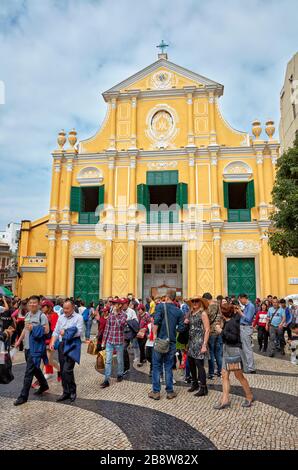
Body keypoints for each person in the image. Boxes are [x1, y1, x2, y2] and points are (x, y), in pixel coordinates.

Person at [213, 303, 254, 410]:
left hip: (233, 351)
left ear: (224, 313)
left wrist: (221, 331)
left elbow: (233, 338)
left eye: (221, 310)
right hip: (227, 350)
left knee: (238, 376)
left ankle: (249, 396)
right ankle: (225, 400)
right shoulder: (231, 319)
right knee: (224, 375)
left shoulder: (232, 323)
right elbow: (237, 314)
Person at [148, 289, 185, 400]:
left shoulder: (160, 307)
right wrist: (174, 330)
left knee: (156, 367)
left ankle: (156, 392)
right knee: (168, 367)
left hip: (160, 340)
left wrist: (154, 335)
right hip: (171, 342)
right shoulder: (179, 311)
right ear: (174, 298)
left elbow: (156, 321)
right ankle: (169, 392)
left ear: (167, 298)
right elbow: (181, 328)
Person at [14, 295, 50, 406]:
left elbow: (47, 330)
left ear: (39, 304)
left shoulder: (42, 316)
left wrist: (34, 328)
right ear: (28, 304)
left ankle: (23, 396)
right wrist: (19, 340)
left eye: (35, 302)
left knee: (28, 372)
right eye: (30, 303)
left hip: (36, 348)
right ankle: (44, 385)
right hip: (27, 347)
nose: (32, 304)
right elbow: (25, 329)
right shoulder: (28, 315)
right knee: (34, 369)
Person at [49, 299, 83, 403]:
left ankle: (72, 391)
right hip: (62, 344)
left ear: (73, 308)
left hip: (72, 345)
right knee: (63, 369)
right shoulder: (61, 317)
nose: (65, 310)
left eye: (67, 308)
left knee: (67, 370)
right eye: (64, 308)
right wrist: (52, 342)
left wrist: (67, 332)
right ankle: (65, 391)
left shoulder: (79, 317)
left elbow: (79, 332)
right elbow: (55, 331)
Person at [186, 296, 210, 397]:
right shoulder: (191, 313)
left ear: (200, 303)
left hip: (199, 342)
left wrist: (204, 344)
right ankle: (195, 383)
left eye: (197, 301)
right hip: (191, 342)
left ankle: (203, 388)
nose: (195, 303)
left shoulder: (203, 313)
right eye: (193, 301)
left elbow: (207, 329)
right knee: (191, 363)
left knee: (199, 365)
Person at [100, 298, 127, 388]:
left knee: (119, 360)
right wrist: (103, 340)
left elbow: (121, 325)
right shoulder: (110, 315)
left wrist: (116, 315)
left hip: (119, 341)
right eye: (113, 304)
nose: (114, 305)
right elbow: (107, 328)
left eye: (115, 304)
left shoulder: (124, 315)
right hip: (110, 341)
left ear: (119, 305)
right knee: (108, 361)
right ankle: (106, 380)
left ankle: (120, 374)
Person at [203, 292, 222, 379]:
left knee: (210, 353)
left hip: (211, 332)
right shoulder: (218, 305)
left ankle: (211, 372)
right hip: (218, 331)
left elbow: (207, 318)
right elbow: (221, 317)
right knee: (218, 353)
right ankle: (220, 371)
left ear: (206, 299)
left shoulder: (209, 307)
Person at [41, 299, 61, 381]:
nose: (42, 308)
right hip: (42, 340)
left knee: (49, 360)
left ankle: (60, 370)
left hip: (51, 340)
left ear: (48, 307)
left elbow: (55, 330)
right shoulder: (42, 315)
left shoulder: (54, 315)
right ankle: (41, 378)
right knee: (43, 360)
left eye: (43, 306)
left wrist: (52, 341)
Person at [238, 294, 256, 374]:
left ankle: (251, 368)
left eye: (240, 300)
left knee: (247, 349)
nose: (240, 302)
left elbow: (248, 319)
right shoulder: (247, 306)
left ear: (244, 298)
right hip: (243, 328)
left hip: (246, 328)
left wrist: (240, 313)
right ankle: (246, 366)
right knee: (242, 348)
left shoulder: (250, 306)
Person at [122, 298, 139, 374]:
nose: (122, 305)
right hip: (120, 333)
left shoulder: (132, 312)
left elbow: (136, 322)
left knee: (123, 348)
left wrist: (128, 322)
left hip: (128, 333)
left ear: (127, 304)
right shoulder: (120, 311)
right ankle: (123, 366)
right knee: (121, 350)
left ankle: (126, 367)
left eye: (124, 304)